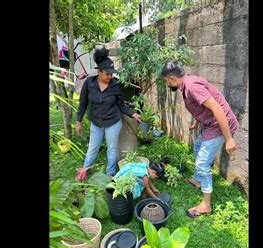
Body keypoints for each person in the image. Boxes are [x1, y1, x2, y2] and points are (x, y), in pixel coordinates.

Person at [161, 60, 240, 218]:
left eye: (165, 82)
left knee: (202, 163)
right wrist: (198, 121)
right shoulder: (187, 84)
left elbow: (216, 108)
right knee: (197, 148)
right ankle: (198, 180)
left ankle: (206, 205)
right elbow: (202, 105)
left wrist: (229, 139)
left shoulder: (191, 86)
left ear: (171, 79)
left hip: (219, 125)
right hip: (209, 124)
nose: (167, 85)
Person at [75, 47, 142, 176]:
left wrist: (132, 113)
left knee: (112, 149)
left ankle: (110, 173)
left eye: (112, 74)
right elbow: (83, 103)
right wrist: (78, 121)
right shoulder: (89, 83)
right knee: (92, 148)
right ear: (99, 72)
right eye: (107, 73)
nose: (110, 76)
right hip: (96, 123)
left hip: (113, 122)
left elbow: (121, 105)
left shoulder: (115, 86)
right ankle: (84, 170)